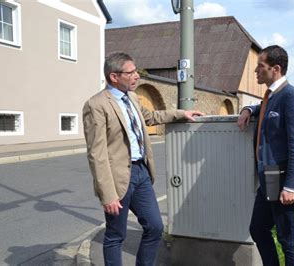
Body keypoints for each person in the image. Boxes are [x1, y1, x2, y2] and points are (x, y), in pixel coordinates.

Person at [83, 52, 204, 266]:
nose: (137, 76)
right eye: (131, 72)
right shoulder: (96, 105)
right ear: (114, 77)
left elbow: (151, 117)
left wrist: (181, 114)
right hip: (118, 178)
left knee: (155, 226)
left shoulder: (133, 98)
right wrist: (108, 195)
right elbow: (97, 153)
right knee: (115, 235)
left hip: (141, 173)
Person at [237, 45, 294, 266]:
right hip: (268, 179)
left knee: (288, 239)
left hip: (284, 180)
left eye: (260, 66)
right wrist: (249, 109)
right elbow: (265, 108)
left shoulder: (291, 96)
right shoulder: (271, 96)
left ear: (275, 69)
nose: (256, 71)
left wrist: (292, 186)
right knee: (258, 228)